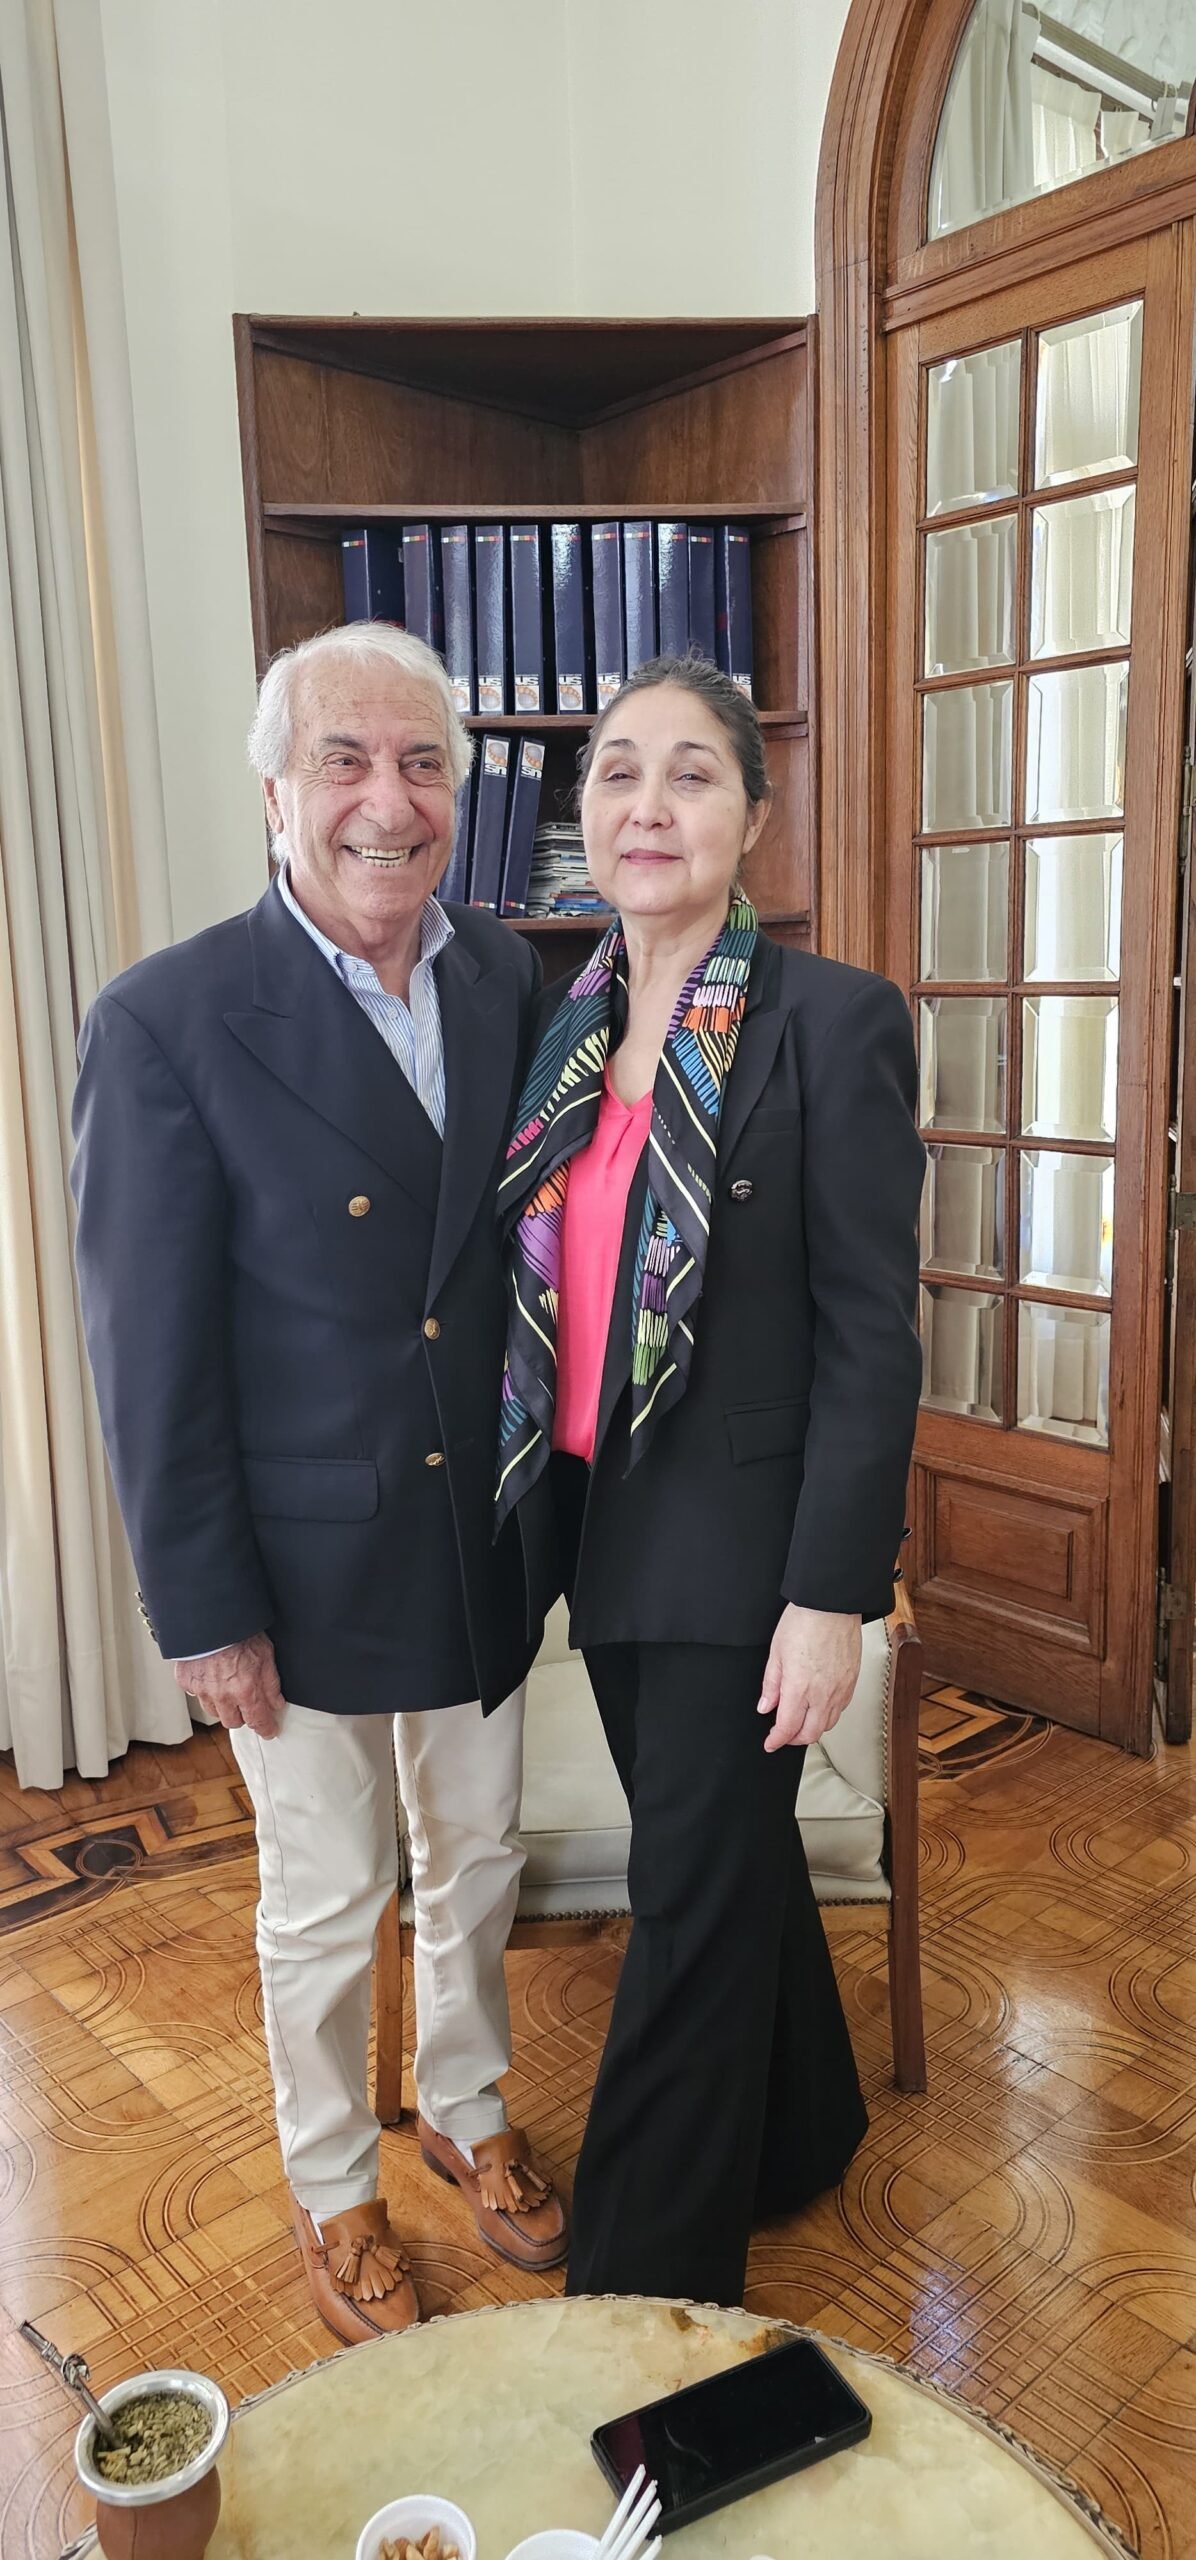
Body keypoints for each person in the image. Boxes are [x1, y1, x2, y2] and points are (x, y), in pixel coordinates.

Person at [72, 624, 567, 2344]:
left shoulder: (505, 976)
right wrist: (202, 1612)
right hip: (300, 1563)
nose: (388, 800)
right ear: (276, 793)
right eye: (344, 761)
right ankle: (333, 2180)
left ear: (460, 795)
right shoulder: (165, 1019)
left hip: (478, 1530)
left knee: (481, 1851)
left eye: (424, 762)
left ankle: (469, 2108)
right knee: (329, 1894)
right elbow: (149, 1358)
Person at [497, 655, 924, 2309]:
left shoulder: (832, 1021)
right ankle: (800, 2128)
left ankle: (637, 2304)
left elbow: (871, 1335)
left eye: (691, 772)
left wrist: (829, 1596)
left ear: (753, 813)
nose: (648, 804)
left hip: (741, 1556)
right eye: (617, 771)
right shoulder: (564, 1023)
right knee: (728, 1847)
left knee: (684, 1891)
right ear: (585, 816)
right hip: (602, 1527)